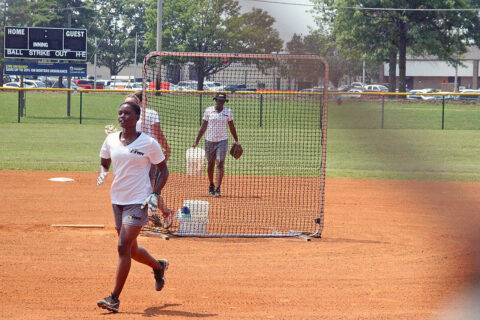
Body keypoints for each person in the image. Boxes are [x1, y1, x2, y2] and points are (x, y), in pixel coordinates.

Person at [96, 101, 173, 313]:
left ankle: (114, 299)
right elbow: (104, 160)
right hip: (117, 199)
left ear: (137, 118)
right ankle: (159, 266)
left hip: (139, 200)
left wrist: (155, 193)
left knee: (122, 247)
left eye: (127, 114)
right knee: (132, 249)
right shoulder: (111, 139)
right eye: (120, 113)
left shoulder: (148, 142)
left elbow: (163, 170)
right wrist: (103, 172)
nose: (122, 117)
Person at [125, 91, 173, 228]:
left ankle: (162, 213)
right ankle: (155, 214)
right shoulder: (126, 116)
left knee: (149, 188)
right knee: (135, 186)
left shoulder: (149, 114)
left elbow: (158, 134)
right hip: (133, 157)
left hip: (149, 156)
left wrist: (166, 148)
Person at [193, 92, 239, 197]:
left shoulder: (228, 111)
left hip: (222, 140)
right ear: (216, 100)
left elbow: (232, 127)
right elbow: (203, 127)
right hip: (209, 141)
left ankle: (218, 188)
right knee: (210, 164)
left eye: (223, 101)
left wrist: (237, 140)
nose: (221, 102)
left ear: (224, 102)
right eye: (219, 100)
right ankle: (211, 184)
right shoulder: (209, 111)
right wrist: (196, 141)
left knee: (220, 162)